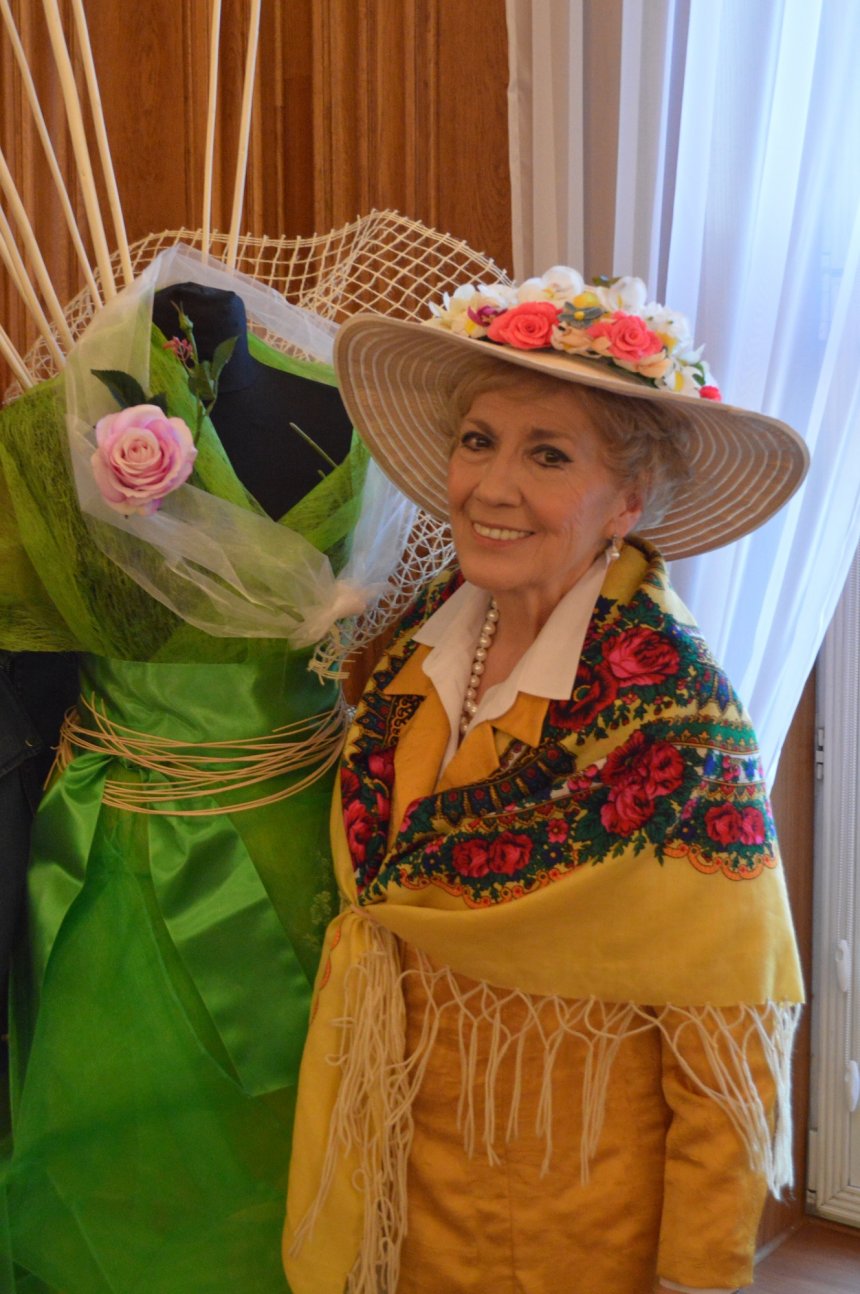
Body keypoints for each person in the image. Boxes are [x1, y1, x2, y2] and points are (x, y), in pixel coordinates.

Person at [282, 268, 809, 1294]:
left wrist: (696, 1277)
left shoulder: (677, 716)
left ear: (628, 502)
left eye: (548, 454)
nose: (491, 486)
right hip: (388, 1187)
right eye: (477, 439)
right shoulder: (412, 650)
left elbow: (727, 1036)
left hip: (566, 1225)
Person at [0, 243, 417, 1293]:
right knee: (118, 1123)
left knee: (302, 1132)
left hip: (307, 836)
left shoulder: (351, 412)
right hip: (122, 846)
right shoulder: (51, 437)